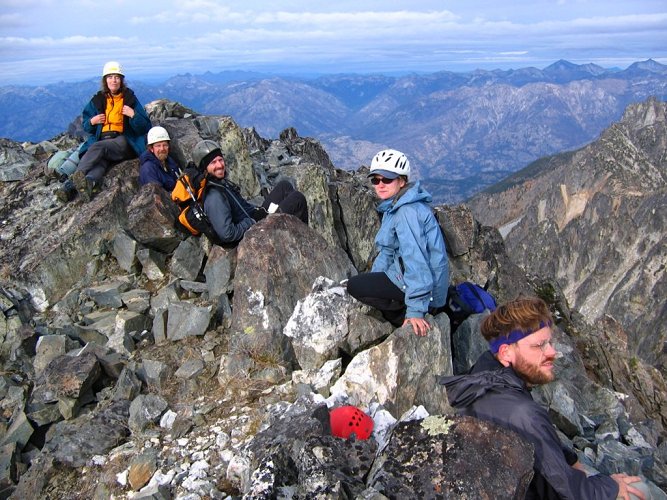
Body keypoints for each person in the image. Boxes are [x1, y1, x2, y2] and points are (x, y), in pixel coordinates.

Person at [440, 297, 647, 500]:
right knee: (640, 490)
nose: (552, 352)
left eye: (549, 342)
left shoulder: (484, 377)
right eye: (539, 345)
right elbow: (565, 492)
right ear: (506, 353)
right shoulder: (522, 412)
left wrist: (569, 457)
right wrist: (610, 486)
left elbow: (535, 438)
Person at [346, 149, 448, 337]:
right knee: (363, 283)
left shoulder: (406, 213)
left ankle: (404, 317)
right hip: (405, 278)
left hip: (427, 294)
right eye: (375, 180)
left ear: (402, 181)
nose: (380, 185)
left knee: (354, 286)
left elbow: (416, 260)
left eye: (387, 179)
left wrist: (416, 310)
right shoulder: (394, 207)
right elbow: (387, 252)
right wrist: (375, 278)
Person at [56, 61, 151, 202]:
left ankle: (74, 179)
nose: (114, 80)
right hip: (104, 141)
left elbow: (145, 127)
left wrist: (133, 115)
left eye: (117, 77)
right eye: (110, 77)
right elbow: (87, 126)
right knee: (100, 162)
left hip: (123, 141)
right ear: (105, 80)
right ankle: (88, 183)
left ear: (121, 80)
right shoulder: (98, 100)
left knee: (97, 147)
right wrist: (92, 122)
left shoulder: (129, 99)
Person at [190, 139, 308, 246]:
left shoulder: (219, 183)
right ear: (204, 168)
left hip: (254, 220)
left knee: (284, 186)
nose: (220, 165)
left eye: (220, 160)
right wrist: (251, 222)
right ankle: (304, 243)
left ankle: (294, 236)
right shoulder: (214, 196)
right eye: (213, 162)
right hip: (252, 235)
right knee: (298, 199)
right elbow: (227, 234)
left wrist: (258, 212)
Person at [139, 126, 182, 191]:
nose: (162, 149)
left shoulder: (170, 161)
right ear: (151, 149)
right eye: (158, 146)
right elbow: (157, 194)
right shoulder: (148, 169)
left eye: (165, 145)